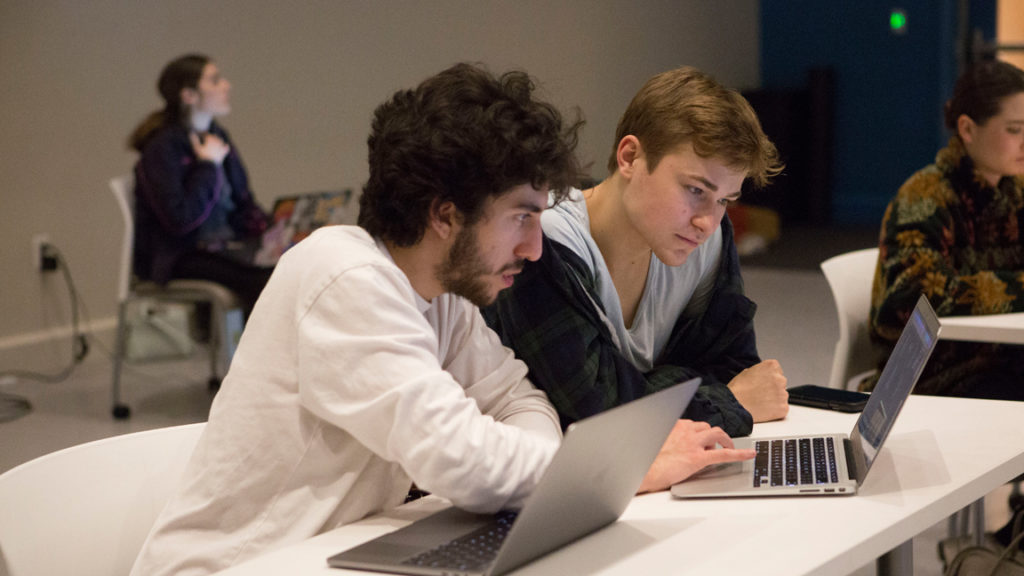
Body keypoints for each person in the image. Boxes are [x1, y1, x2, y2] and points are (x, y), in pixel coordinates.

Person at [129, 63, 755, 576]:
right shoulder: (342, 275)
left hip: (332, 555)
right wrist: (616, 470)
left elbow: (518, 403)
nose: (535, 247)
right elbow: (467, 463)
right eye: (521, 218)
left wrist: (537, 464)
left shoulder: (446, 298)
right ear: (445, 215)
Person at [483, 66, 788, 437]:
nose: (707, 221)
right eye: (695, 190)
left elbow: (736, 368)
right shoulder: (543, 242)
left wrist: (640, 385)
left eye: (724, 199)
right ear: (629, 157)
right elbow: (595, 416)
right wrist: (726, 401)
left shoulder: (707, 240)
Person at [868, 59, 1024, 402]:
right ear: (967, 130)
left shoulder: (1016, 193)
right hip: (935, 378)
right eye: (1014, 130)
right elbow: (917, 302)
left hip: (1005, 360)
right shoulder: (925, 197)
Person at [128, 53, 272, 316]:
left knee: (293, 266)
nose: (226, 85)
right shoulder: (162, 148)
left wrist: (274, 230)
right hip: (181, 256)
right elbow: (180, 221)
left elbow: (243, 202)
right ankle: (258, 354)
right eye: (215, 80)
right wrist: (207, 166)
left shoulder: (218, 136)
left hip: (224, 246)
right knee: (267, 284)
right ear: (189, 95)